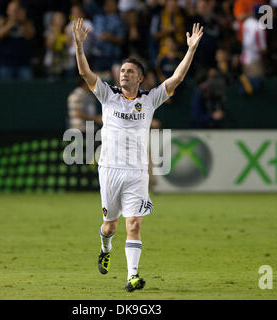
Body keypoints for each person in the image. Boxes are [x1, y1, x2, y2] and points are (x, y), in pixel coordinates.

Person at [72, 17, 203, 292]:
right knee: (110, 226)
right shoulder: (108, 96)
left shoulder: (150, 100)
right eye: (122, 71)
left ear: (140, 77)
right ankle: (105, 248)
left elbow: (177, 78)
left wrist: (190, 50)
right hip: (109, 170)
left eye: (130, 71)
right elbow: (85, 74)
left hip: (137, 173)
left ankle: (132, 276)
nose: (124, 74)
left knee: (134, 225)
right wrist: (79, 46)